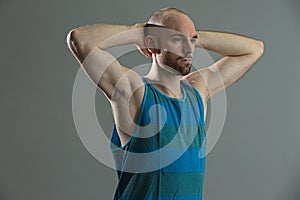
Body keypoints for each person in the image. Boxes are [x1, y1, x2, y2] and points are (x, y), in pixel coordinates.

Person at [66, 7, 264, 200]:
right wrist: (138, 33)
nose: (189, 49)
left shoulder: (197, 92)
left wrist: (190, 36)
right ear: (152, 45)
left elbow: (254, 49)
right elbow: (80, 40)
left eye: (192, 41)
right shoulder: (135, 93)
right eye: (177, 40)